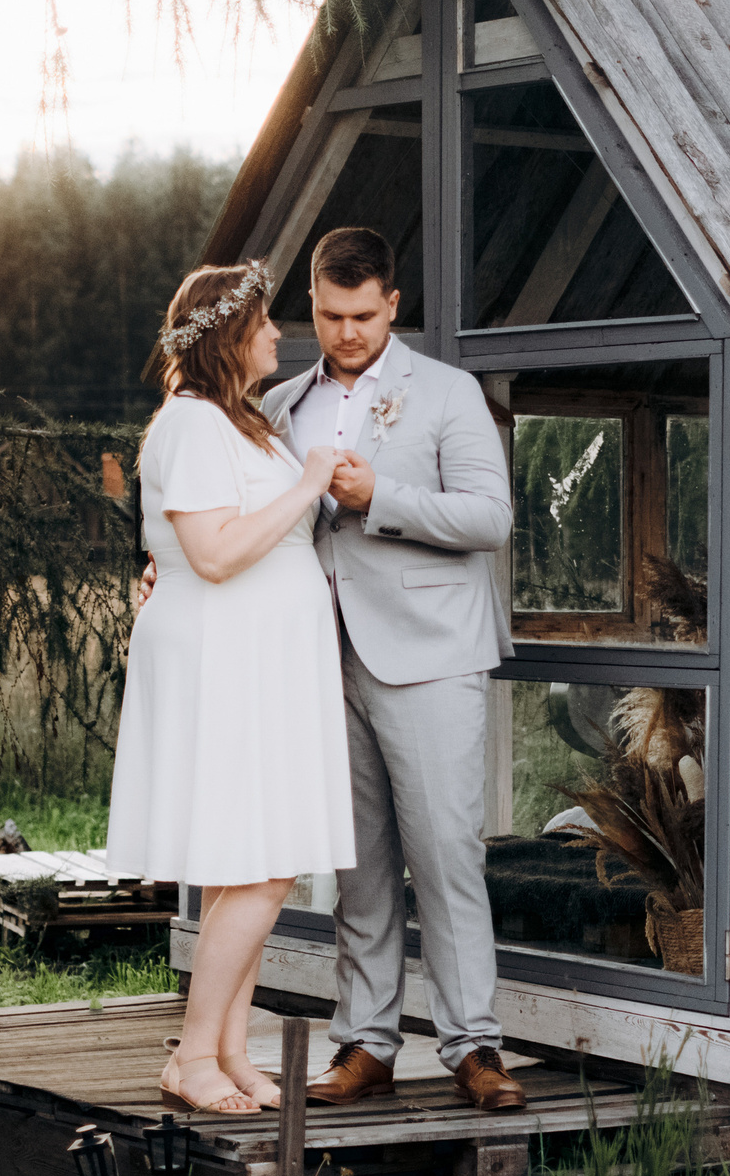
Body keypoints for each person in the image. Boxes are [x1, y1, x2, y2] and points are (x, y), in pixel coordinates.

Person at [264, 227, 525, 1112]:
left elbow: (492, 517)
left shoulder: (449, 394)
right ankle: (365, 1042)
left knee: (446, 854)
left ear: (393, 305)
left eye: (363, 315)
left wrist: (384, 499)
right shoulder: (278, 403)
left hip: (430, 653)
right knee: (359, 863)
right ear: (312, 305)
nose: (346, 332)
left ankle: (474, 1045)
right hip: (320, 658)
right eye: (331, 316)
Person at [106, 261, 354, 1116]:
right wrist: (311, 483)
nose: (278, 334)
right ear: (227, 335)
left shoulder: (234, 423)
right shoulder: (190, 425)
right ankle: (192, 1056)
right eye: (264, 322)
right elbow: (213, 554)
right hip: (224, 665)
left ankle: (229, 1049)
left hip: (258, 665)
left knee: (242, 862)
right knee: (263, 864)